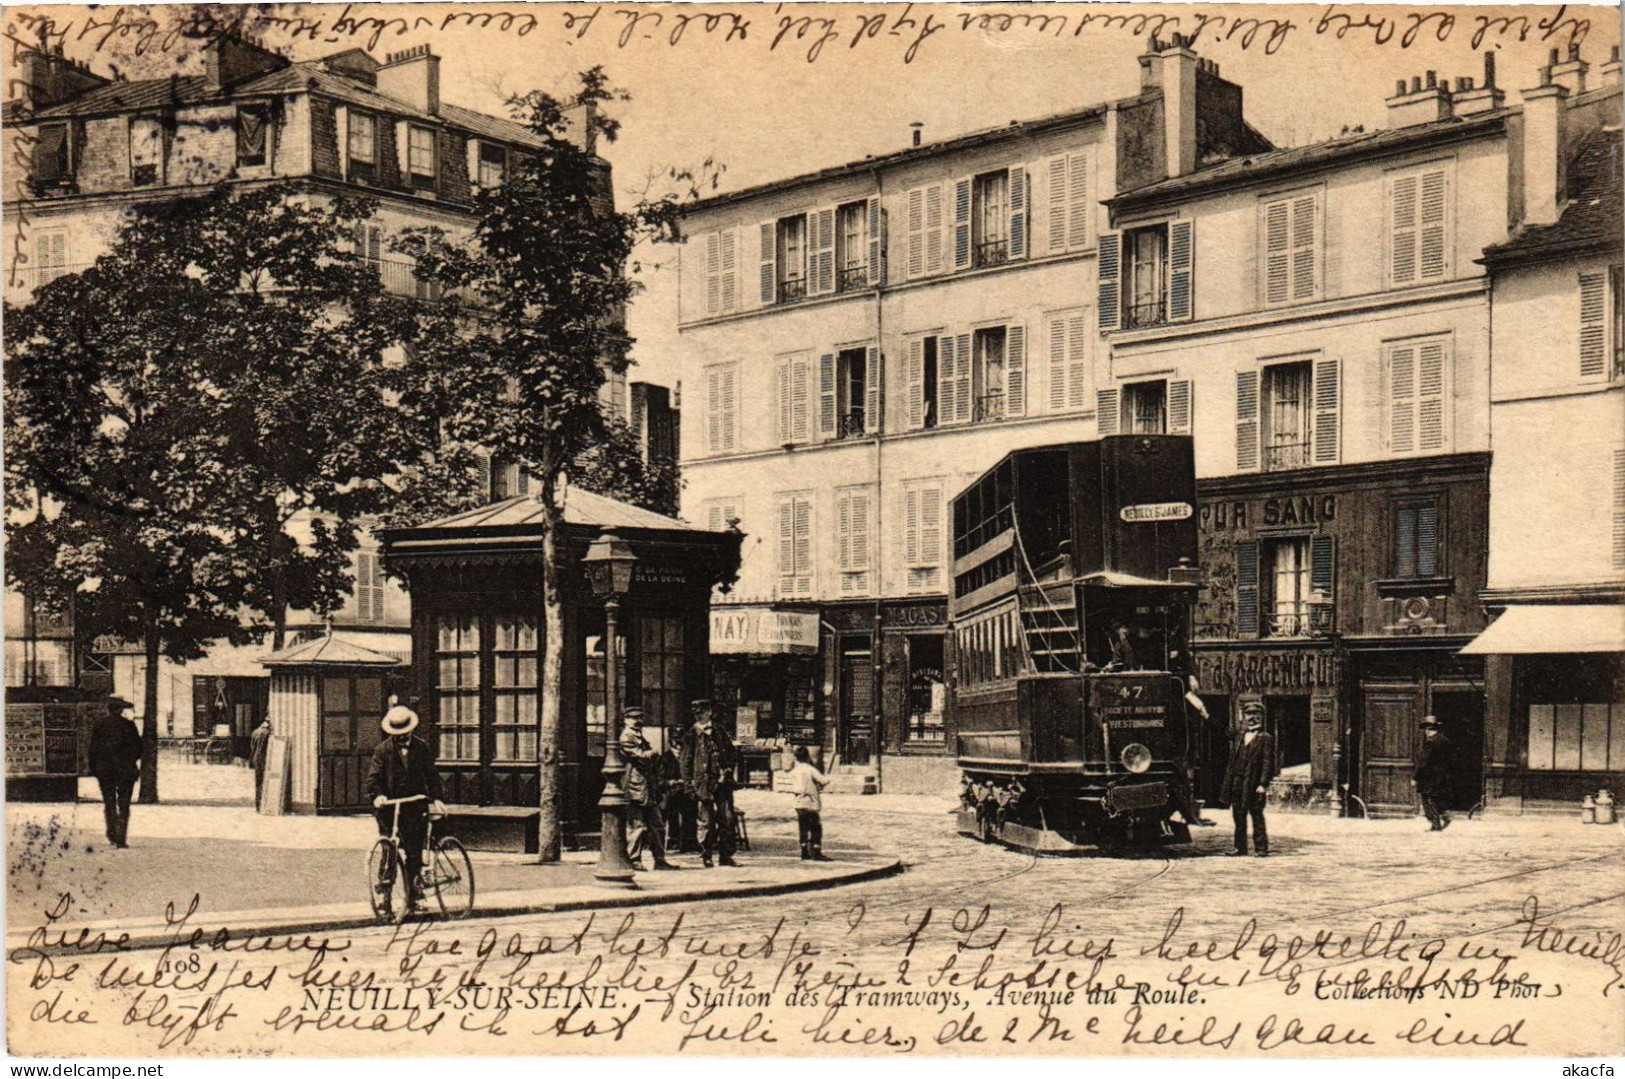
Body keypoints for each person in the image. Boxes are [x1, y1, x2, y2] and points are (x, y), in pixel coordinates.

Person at [366, 696, 446, 909]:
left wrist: (437, 798)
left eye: (404, 734)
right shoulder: (382, 750)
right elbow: (373, 778)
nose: (401, 738)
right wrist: (378, 796)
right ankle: (385, 897)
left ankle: (413, 898)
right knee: (389, 851)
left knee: (413, 853)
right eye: (397, 735)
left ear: (411, 730)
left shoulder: (422, 748)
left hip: (413, 808)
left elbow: (432, 775)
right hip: (389, 810)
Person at [679, 699, 739, 867]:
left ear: (710, 712)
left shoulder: (720, 731)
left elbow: (732, 754)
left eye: (702, 712)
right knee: (705, 822)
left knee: (727, 819)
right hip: (703, 784)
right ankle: (706, 855)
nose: (699, 715)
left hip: (722, 783)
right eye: (696, 713)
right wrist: (689, 786)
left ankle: (726, 856)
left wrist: (727, 769)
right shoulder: (690, 735)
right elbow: (685, 763)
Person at [620, 708, 675, 870]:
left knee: (657, 826)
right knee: (637, 827)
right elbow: (637, 756)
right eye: (634, 718)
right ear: (626, 719)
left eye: (640, 718)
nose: (638, 721)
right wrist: (653, 753)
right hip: (635, 787)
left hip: (648, 788)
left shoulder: (638, 735)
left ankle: (660, 860)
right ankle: (634, 860)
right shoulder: (627, 736)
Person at [1221, 702, 1276, 857]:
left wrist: (1263, 784)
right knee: (1238, 815)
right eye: (1249, 715)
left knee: (1256, 815)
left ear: (1262, 718)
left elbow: (1267, 763)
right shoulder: (1239, 735)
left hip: (1253, 783)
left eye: (1256, 715)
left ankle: (1261, 848)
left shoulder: (1266, 738)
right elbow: (1220, 729)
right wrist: (1204, 714)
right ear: (1243, 717)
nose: (1252, 718)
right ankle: (1240, 848)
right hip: (1237, 783)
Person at [88, 697, 144, 849]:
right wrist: (130, 760)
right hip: (125, 770)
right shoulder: (129, 726)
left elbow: (93, 750)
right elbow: (139, 748)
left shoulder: (100, 725)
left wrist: (95, 768)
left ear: (109, 709)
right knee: (124, 804)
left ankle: (111, 833)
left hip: (105, 770)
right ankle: (121, 838)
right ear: (120, 710)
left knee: (109, 802)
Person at [785, 745, 831, 861]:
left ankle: (804, 851)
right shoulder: (810, 769)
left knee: (803, 827)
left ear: (796, 758)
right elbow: (824, 780)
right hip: (810, 802)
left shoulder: (794, 771)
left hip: (798, 802)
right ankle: (815, 851)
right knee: (816, 827)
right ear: (807, 757)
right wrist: (818, 784)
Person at [1414, 715, 1454, 832]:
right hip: (1442, 775)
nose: (1425, 732)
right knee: (1436, 798)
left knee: (1428, 799)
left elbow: (1424, 762)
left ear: (1428, 729)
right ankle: (1444, 817)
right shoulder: (1444, 740)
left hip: (1430, 776)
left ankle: (1436, 825)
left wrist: (1416, 777)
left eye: (1426, 729)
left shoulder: (1431, 742)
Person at [249, 718, 273, 807]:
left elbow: (252, 747)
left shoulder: (255, 732)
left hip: (256, 758)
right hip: (263, 759)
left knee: (258, 781)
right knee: (265, 781)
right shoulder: (267, 733)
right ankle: (264, 803)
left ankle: (258, 804)